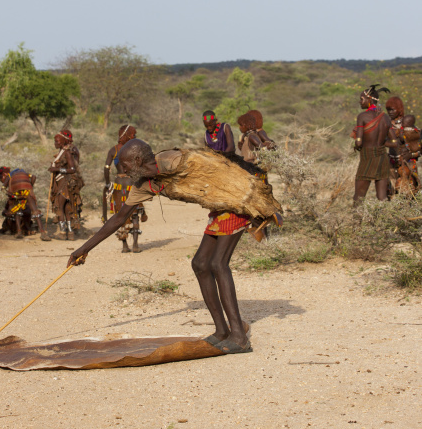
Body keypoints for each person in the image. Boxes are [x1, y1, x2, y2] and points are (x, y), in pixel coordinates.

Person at [69, 139, 283, 355]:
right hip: (220, 207)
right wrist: (84, 249)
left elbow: (224, 168)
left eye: (124, 166)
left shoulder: (175, 161)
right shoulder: (144, 184)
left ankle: (239, 336)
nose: (121, 170)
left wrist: (260, 203)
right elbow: (119, 218)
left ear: (136, 160)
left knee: (218, 263)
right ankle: (221, 331)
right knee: (200, 264)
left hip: (237, 202)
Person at [103, 124, 147, 253]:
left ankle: (124, 246)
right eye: (134, 135)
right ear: (128, 135)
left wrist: (107, 184)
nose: (135, 137)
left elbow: (106, 168)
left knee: (120, 212)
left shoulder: (114, 150)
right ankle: (135, 245)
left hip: (118, 184)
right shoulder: (134, 149)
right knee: (134, 211)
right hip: (131, 183)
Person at [351, 84, 398, 203]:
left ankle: (356, 221)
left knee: (359, 197)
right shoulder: (386, 118)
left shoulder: (362, 116)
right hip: (382, 158)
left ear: (370, 99)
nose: (360, 101)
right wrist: (381, 144)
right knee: (382, 197)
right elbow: (394, 142)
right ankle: (385, 220)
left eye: (362, 99)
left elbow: (359, 142)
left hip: (367, 157)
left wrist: (356, 145)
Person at [0, 166, 51, 241]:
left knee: (16, 209)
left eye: (1, 179)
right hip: (27, 187)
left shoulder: (9, 176)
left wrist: (14, 196)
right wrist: (30, 187)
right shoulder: (23, 173)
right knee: (35, 211)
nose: (2, 181)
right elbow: (33, 176)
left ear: (4, 174)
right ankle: (43, 234)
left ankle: (19, 232)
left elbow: (3, 189)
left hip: (16, 187)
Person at [49, 130, 84, 241]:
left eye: (57, 141)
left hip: (65, 183)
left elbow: (72, 169)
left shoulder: (67, 153)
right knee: (66, 208)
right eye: (55, 141)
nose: (55, 143)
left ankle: (63, 232)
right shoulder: (62, 152)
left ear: (63, 141)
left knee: (60, 207)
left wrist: (57, 169)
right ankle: (70, 233)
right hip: (62, 182)